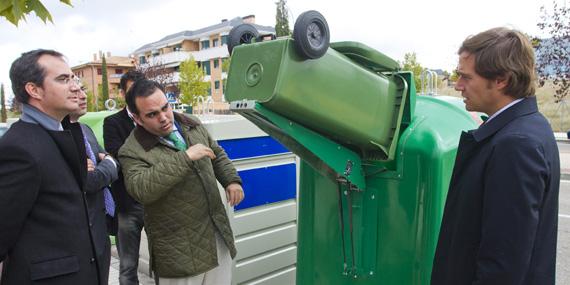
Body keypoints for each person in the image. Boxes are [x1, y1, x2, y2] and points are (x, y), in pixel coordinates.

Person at [431, 27, 560, 285]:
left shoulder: (515, 145)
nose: (458, 86)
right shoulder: (528, 126)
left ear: (501, 80)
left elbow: (502, 266)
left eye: (466, 78)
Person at [118, 79, 244, 284]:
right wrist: (185, 157)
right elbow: (141, 188)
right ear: (137, 119)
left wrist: (232, 180)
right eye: (152, 114)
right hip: (179, 254)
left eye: (165, 107)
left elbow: (217, 153)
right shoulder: (131, 151)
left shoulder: (190, 123)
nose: (164, 118)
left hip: (216, 237)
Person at [0, 49, 101, 284]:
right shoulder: (19, 149)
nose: (76, 86)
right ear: (33, 90)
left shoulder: (62, 133)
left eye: (73, 77)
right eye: (63, 79)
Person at [68, 85, 120, 284]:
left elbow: (112, 163)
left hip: (100, 227)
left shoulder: (85, 129)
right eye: (75, 92)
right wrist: (106, 163)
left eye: (83, 90)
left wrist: (105, 163)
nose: (83, 96)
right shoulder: (60, 135)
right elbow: (89, 181)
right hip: (80, 231)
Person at [102, 70, 144, 284]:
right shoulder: (112, 122)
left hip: (159, 201)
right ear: (122, 93)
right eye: (131, 90)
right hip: (128, 204)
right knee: (128, 267)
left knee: (166, 262)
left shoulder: (157, 117)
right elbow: (118, 156)